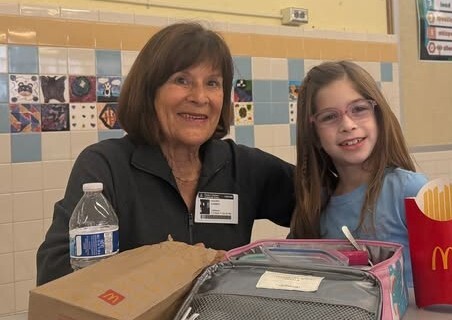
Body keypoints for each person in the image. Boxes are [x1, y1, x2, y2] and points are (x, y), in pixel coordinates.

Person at [36, 22, 295, 285]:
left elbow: (322, 199)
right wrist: (173, 266)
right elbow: (56, 271)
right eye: (181, 80)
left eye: (213, 83)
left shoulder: (243, 166)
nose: (200, 97)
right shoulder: (107, 166)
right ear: (149, 91)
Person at [290, 60, 427, 286]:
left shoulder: (410, 190)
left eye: (359, 109)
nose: (347, 124)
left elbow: (451, 279)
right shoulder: (316, 206)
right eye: (329, 117)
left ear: (378, 116)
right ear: (313, 133)